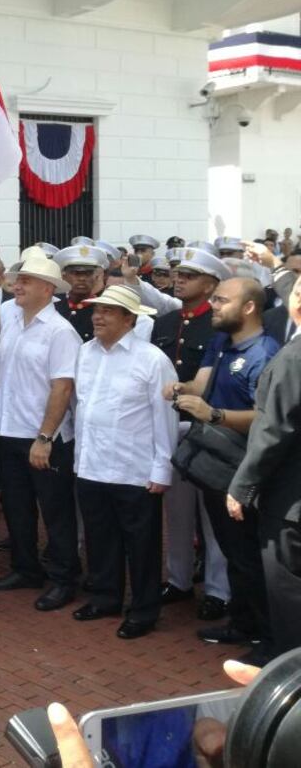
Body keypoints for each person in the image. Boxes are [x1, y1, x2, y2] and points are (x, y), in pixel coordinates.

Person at [166, 277, 280, 663]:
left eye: (222, 300)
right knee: (232, 550)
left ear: (248, 307)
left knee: (250, 557)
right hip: (215, 465)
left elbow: (266, 418)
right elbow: (202, 386)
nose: (213, 305)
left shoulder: (264, 354)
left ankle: (268, 640)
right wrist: (182, 390)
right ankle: (242, 624)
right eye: (213, 298)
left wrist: (214, 415)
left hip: (244, 469)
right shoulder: (221, 343)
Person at [68, 286, 176, 639]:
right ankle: (105, 597)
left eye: (108, 311)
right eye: (96, 310)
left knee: (142, 545)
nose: (98, 316)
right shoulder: (85, 352)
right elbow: (82, 407)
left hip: (134, 468)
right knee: (101, 538)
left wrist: (162, 467)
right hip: (92, 463)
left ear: (129, 318)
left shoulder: (152, 359)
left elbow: (165, 418)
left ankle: (144, 610)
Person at [0, 253, 83, 611]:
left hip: (44, 437)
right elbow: (0, 375)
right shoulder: (11, 321)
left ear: (47, 288)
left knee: (55, 511)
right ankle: (25, 569)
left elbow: (62, 388)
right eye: (17, 280)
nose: (17, 285)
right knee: (16, 507)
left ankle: (63, 578)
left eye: (25, 281)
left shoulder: (60, 332)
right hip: (9, 429)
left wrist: (44, 438)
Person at [146, 248, 232, 620]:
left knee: (212, 517)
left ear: (212, 284)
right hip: (170, 426)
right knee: (177, 512)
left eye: (189, 276)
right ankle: (179, 579)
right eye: (177, 275)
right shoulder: (164, 322)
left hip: (207, 429)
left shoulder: (218, 323)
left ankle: (218, 589)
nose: (179, 281)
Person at [228, 275, 301, 658]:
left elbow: (273, 429)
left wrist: (242, 486)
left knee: (289, 596)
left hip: (290, 505)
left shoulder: (293, 357)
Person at [52, 245, 107, 343]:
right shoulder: (53, 303)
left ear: (96, 277)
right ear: (64, 275)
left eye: (88, 273)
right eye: (76, 273)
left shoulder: (103, 308)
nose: (82, 278)